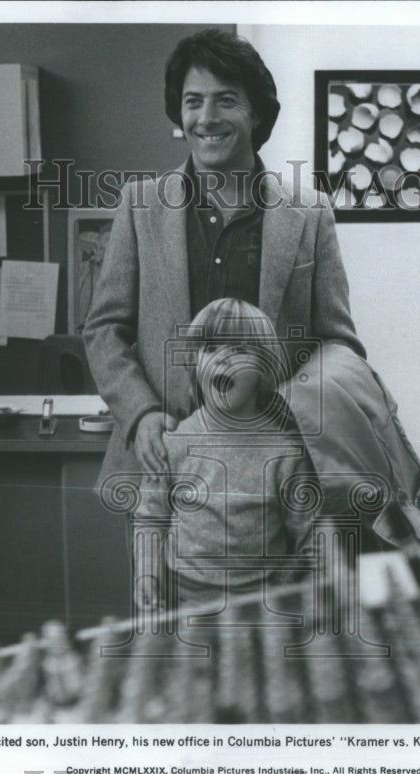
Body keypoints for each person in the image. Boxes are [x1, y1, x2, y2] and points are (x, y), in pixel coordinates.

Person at [83, 27, 363, 487]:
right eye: (193, 102)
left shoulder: (309, 215)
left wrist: (292, 416)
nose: (206, 118)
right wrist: (140, 412)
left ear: (256, 113)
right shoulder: (139, 206)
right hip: (162, 466)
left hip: (275, 472)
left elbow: (338, 346)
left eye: (226, 100)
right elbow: (103, 330)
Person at [132, 298, 316, 609]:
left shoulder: (286, 452)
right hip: (185, 604)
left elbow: (309, 535)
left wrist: (300, 586)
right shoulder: (173, 442)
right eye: (209, 349)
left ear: (264, 369)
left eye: (239, 350)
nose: (222, 360)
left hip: (265, 607)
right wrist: (147, 576)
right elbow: (150, 520)